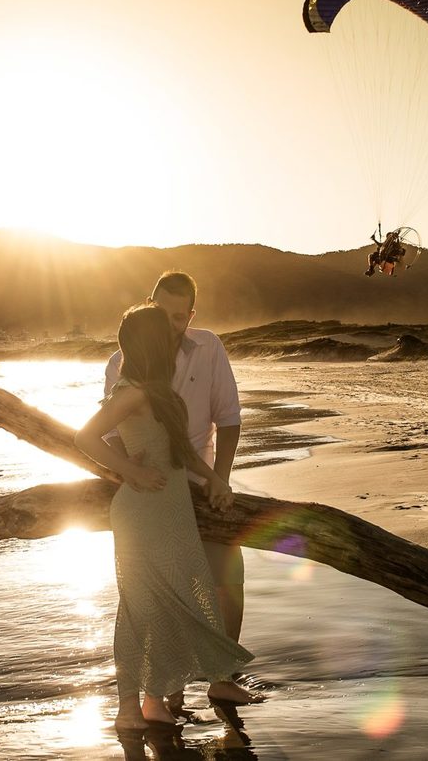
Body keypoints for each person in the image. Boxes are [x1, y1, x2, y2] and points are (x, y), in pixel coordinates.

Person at [76, 304, 255, 730]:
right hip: (141, 513)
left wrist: (215, 479)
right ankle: (128, 709)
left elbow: (184, 452)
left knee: (177, 604)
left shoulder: (162, 392)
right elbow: (85, 436)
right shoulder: (132, 391)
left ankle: (154, 701)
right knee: (140, 607)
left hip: (172, 511)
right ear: (152, 343)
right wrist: (131, 470)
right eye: (166, 334)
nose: (176, 339)